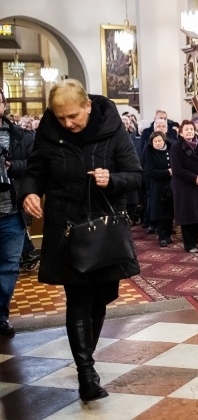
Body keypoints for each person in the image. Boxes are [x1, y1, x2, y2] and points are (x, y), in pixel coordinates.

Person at [20, 79, 142, 402]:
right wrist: (30, 191)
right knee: (78, 298)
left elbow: (135, 175)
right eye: (60, 118)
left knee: (101, 298)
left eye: (73, 116)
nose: (67, 124)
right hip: (66, 229)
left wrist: (111, 179)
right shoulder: (49, 132)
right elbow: (35, 170)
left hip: (104, 229)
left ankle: (86, 353)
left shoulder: (112, 128)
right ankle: (86, 372)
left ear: (88, 105)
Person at [0, 89, 34, 336]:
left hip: (12, 212)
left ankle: (1, 315)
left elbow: (35, 165)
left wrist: (12, 166)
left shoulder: (19, 136)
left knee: (9, 268)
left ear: (3, 105)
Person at [170, 120, 198, 253]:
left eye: (191, 129)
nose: (189, 132)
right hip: (184, 186)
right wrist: (194, 178)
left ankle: (195, 239)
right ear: (181, 132)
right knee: (188, 216)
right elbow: (177, 168)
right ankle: (189, 243)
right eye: (186, 130)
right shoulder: (176, 147)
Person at [142, 131, 174, 247]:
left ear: (164, 140)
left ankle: (168, 235)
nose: (157, 143)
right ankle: (162, 237)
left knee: (170, 210)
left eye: (159, 140)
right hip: (157, 185)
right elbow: (150, 171)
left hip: (170, 185)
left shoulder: (171, 149)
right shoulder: (149, 152)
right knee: (160, 212)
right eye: (155, 141)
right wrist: (167, 172)